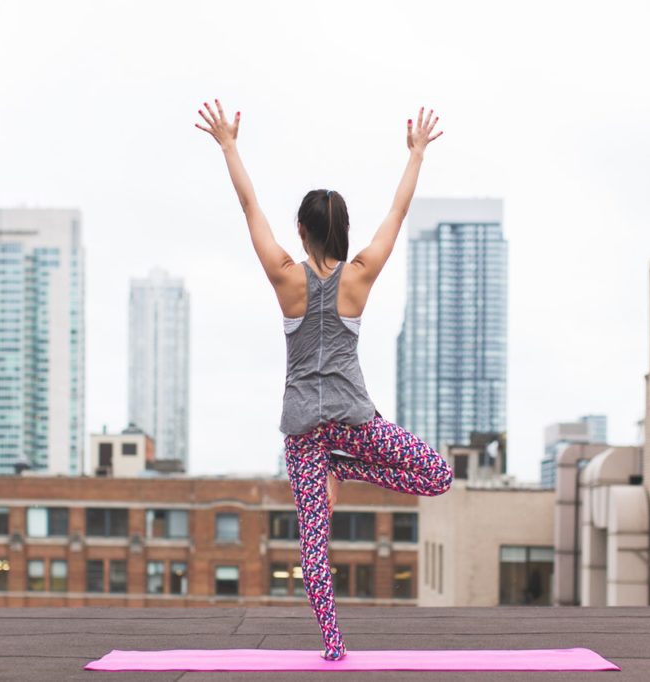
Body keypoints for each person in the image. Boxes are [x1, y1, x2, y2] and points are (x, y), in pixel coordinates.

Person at [195, 99, 453, 661]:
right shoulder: (359, 276)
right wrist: (416, 155)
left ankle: (333, 649)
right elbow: (397, 214)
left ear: (302, 230)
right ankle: (348, 469)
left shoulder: (286, 277)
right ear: (343, 232)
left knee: (313, 542)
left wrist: (229, 145)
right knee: (439, 476)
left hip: (304, 433)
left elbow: (248, 206)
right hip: (355, 423)